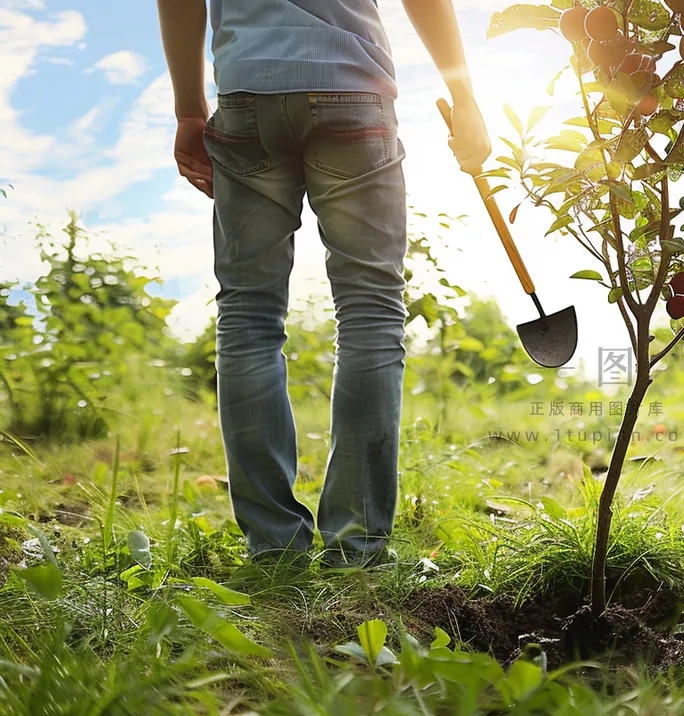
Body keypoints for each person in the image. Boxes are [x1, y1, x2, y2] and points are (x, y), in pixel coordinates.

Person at [156, 0, 491, 567]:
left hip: (248, 94)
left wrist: (190, 111)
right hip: (353, 90)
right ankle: (356, 544)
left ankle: (275, 547)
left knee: (249, 315)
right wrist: (464, 95)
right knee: (370, 311)